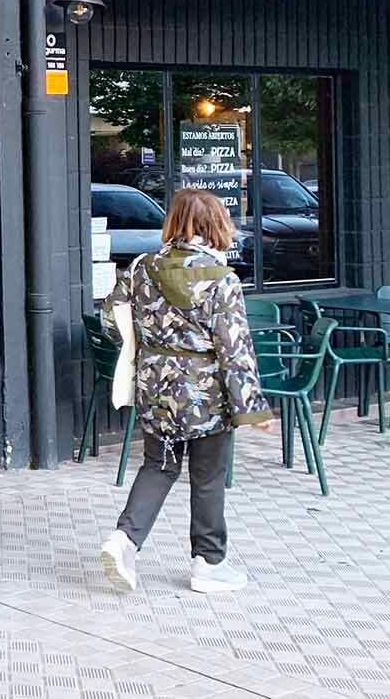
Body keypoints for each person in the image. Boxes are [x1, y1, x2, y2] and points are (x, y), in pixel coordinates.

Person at [98, 187, 274, 594]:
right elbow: (235, 347)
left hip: (156, 387)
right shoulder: (220, 278)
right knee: (208, 477)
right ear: (216, 225)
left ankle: (124, 540)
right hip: (206, 392)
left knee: (158, 466)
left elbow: (110, 320)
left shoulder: (142, 267)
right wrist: (252, 408)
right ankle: (209, 566)